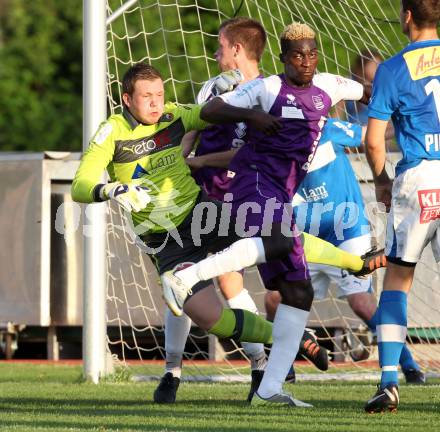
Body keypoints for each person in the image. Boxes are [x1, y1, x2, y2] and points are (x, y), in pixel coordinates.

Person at [71, 61, 380, 408]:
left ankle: (356, 263)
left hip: (203, 214)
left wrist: (239, 103)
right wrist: (112, 189)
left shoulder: (174, 115)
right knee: (210, 318)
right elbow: (80, 184)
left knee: (276, 230)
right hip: (167, 242)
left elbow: (210, 113)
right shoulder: (111, 132)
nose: (156, 103)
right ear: (127, 99)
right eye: (147, 97)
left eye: (159, 94)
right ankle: (290, 339)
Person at [161, 22, 386, 406]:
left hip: (282, 191)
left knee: (297, 293)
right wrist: (252, 117)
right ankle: (189, 275)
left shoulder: (329, 85)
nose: (306, 60)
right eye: (297, 55)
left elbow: (371, 92)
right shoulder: (265, 88)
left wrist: (397, 94)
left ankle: (268, 389)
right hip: (253, 180)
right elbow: (212, 108)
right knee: (279, 239)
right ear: (283, 59)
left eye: (311, 53)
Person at [263, 118, 424, 384]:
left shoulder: (327, 129)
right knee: (273, 301)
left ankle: (409, 365)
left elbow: (369, 135)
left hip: (348, 230)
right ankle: (284, 365)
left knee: (361, 302)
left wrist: (402, 119)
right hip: (308, 239)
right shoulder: (271, 145)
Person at [364, 0, 440, 414]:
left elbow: (374, 141)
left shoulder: (393, 68)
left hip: (420, 179)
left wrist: (381, 182)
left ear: (407, 15)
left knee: (397, 280)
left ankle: (390, 383)